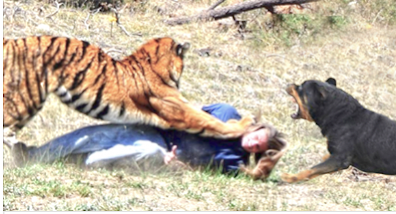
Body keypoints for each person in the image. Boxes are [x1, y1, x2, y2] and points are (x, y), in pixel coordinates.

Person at [10, 103, 287, 180]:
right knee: (96, 135)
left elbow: (198, 170)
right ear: (253, 127)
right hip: (155, 130)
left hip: (160, 152)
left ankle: (75, 162)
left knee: (141, 151)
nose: (251, 144)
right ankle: (33, 156)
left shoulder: (234, 162)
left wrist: (176, 164)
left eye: (257, 148)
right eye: (255, 138)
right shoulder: (226, 113)